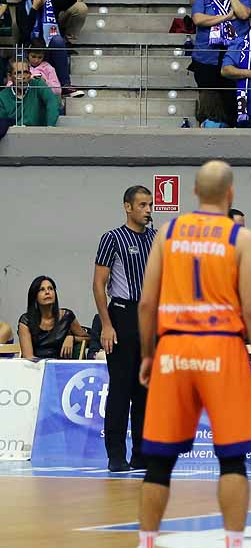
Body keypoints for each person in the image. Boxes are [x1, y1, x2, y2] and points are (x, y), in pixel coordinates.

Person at [121, 162, 251, 548]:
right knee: (233, 459)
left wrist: (149, 354)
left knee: (159, 460)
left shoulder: (167, 233)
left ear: (194, 193)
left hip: (174, 349)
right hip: (223, 349)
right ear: (231, 194)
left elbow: (147, 303)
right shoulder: (242, 237)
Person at [93, 185, 156, 473]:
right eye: (142, 205)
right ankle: (116, 455)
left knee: (145, 389)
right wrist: (106, 324)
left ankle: (142, 453)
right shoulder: (112, 238)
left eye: (150, 205)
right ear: (128, 207)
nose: (147, 210)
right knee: (120, 389)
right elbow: (98, 283)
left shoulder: (156, 240)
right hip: (122, 314)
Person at [17, 276, 86, 360]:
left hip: (62, 368)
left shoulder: (66, 316)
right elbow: (29, 357)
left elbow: (88, 338)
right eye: (42, 289)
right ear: (34, 296)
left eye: (50, 288)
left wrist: (72, 338)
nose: (47, 292)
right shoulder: (26, 321)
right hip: (36, 367)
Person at [0, 60, 59, 127]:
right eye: (18, 73)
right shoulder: (2, 97)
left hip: (38, 134)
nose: (23, 77)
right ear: (9, 76)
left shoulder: (38, 85)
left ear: (30, 74)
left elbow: (52, 102)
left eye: (26, 72)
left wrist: (50, 128)